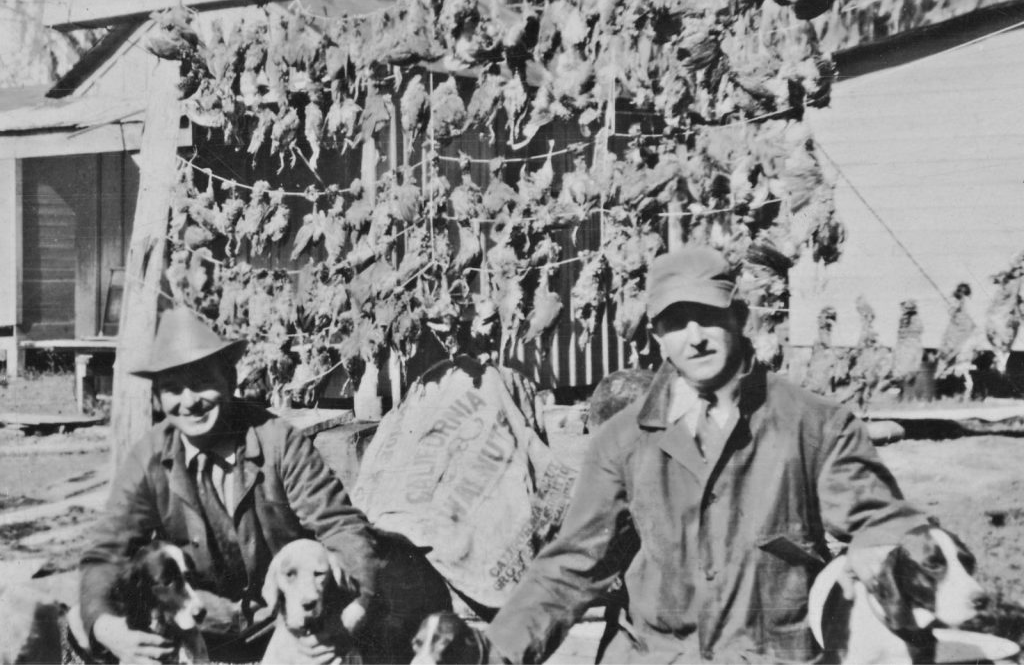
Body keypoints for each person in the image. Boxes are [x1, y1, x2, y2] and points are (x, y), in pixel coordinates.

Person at [485, 245, 929, 664]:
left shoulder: (816, 425)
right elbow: (571, 566)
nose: (694, 338)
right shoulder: (623, 441)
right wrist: (492, 654)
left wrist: (885, 546)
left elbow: (881, 520)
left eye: (708, 316)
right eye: (676, 323)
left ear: (740, 317)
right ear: (657, 335)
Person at [78, 307, 385, 664]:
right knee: (82, 623)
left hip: (287, 618)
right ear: (158, 399)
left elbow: (341, 526)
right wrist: (107, 628)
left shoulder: (278, 441)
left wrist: (354, 613)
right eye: (173, 389)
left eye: (201, 382)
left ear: (229, 378)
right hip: (199, 623)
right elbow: (106, 553)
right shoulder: (149, 456)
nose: (189, 401)